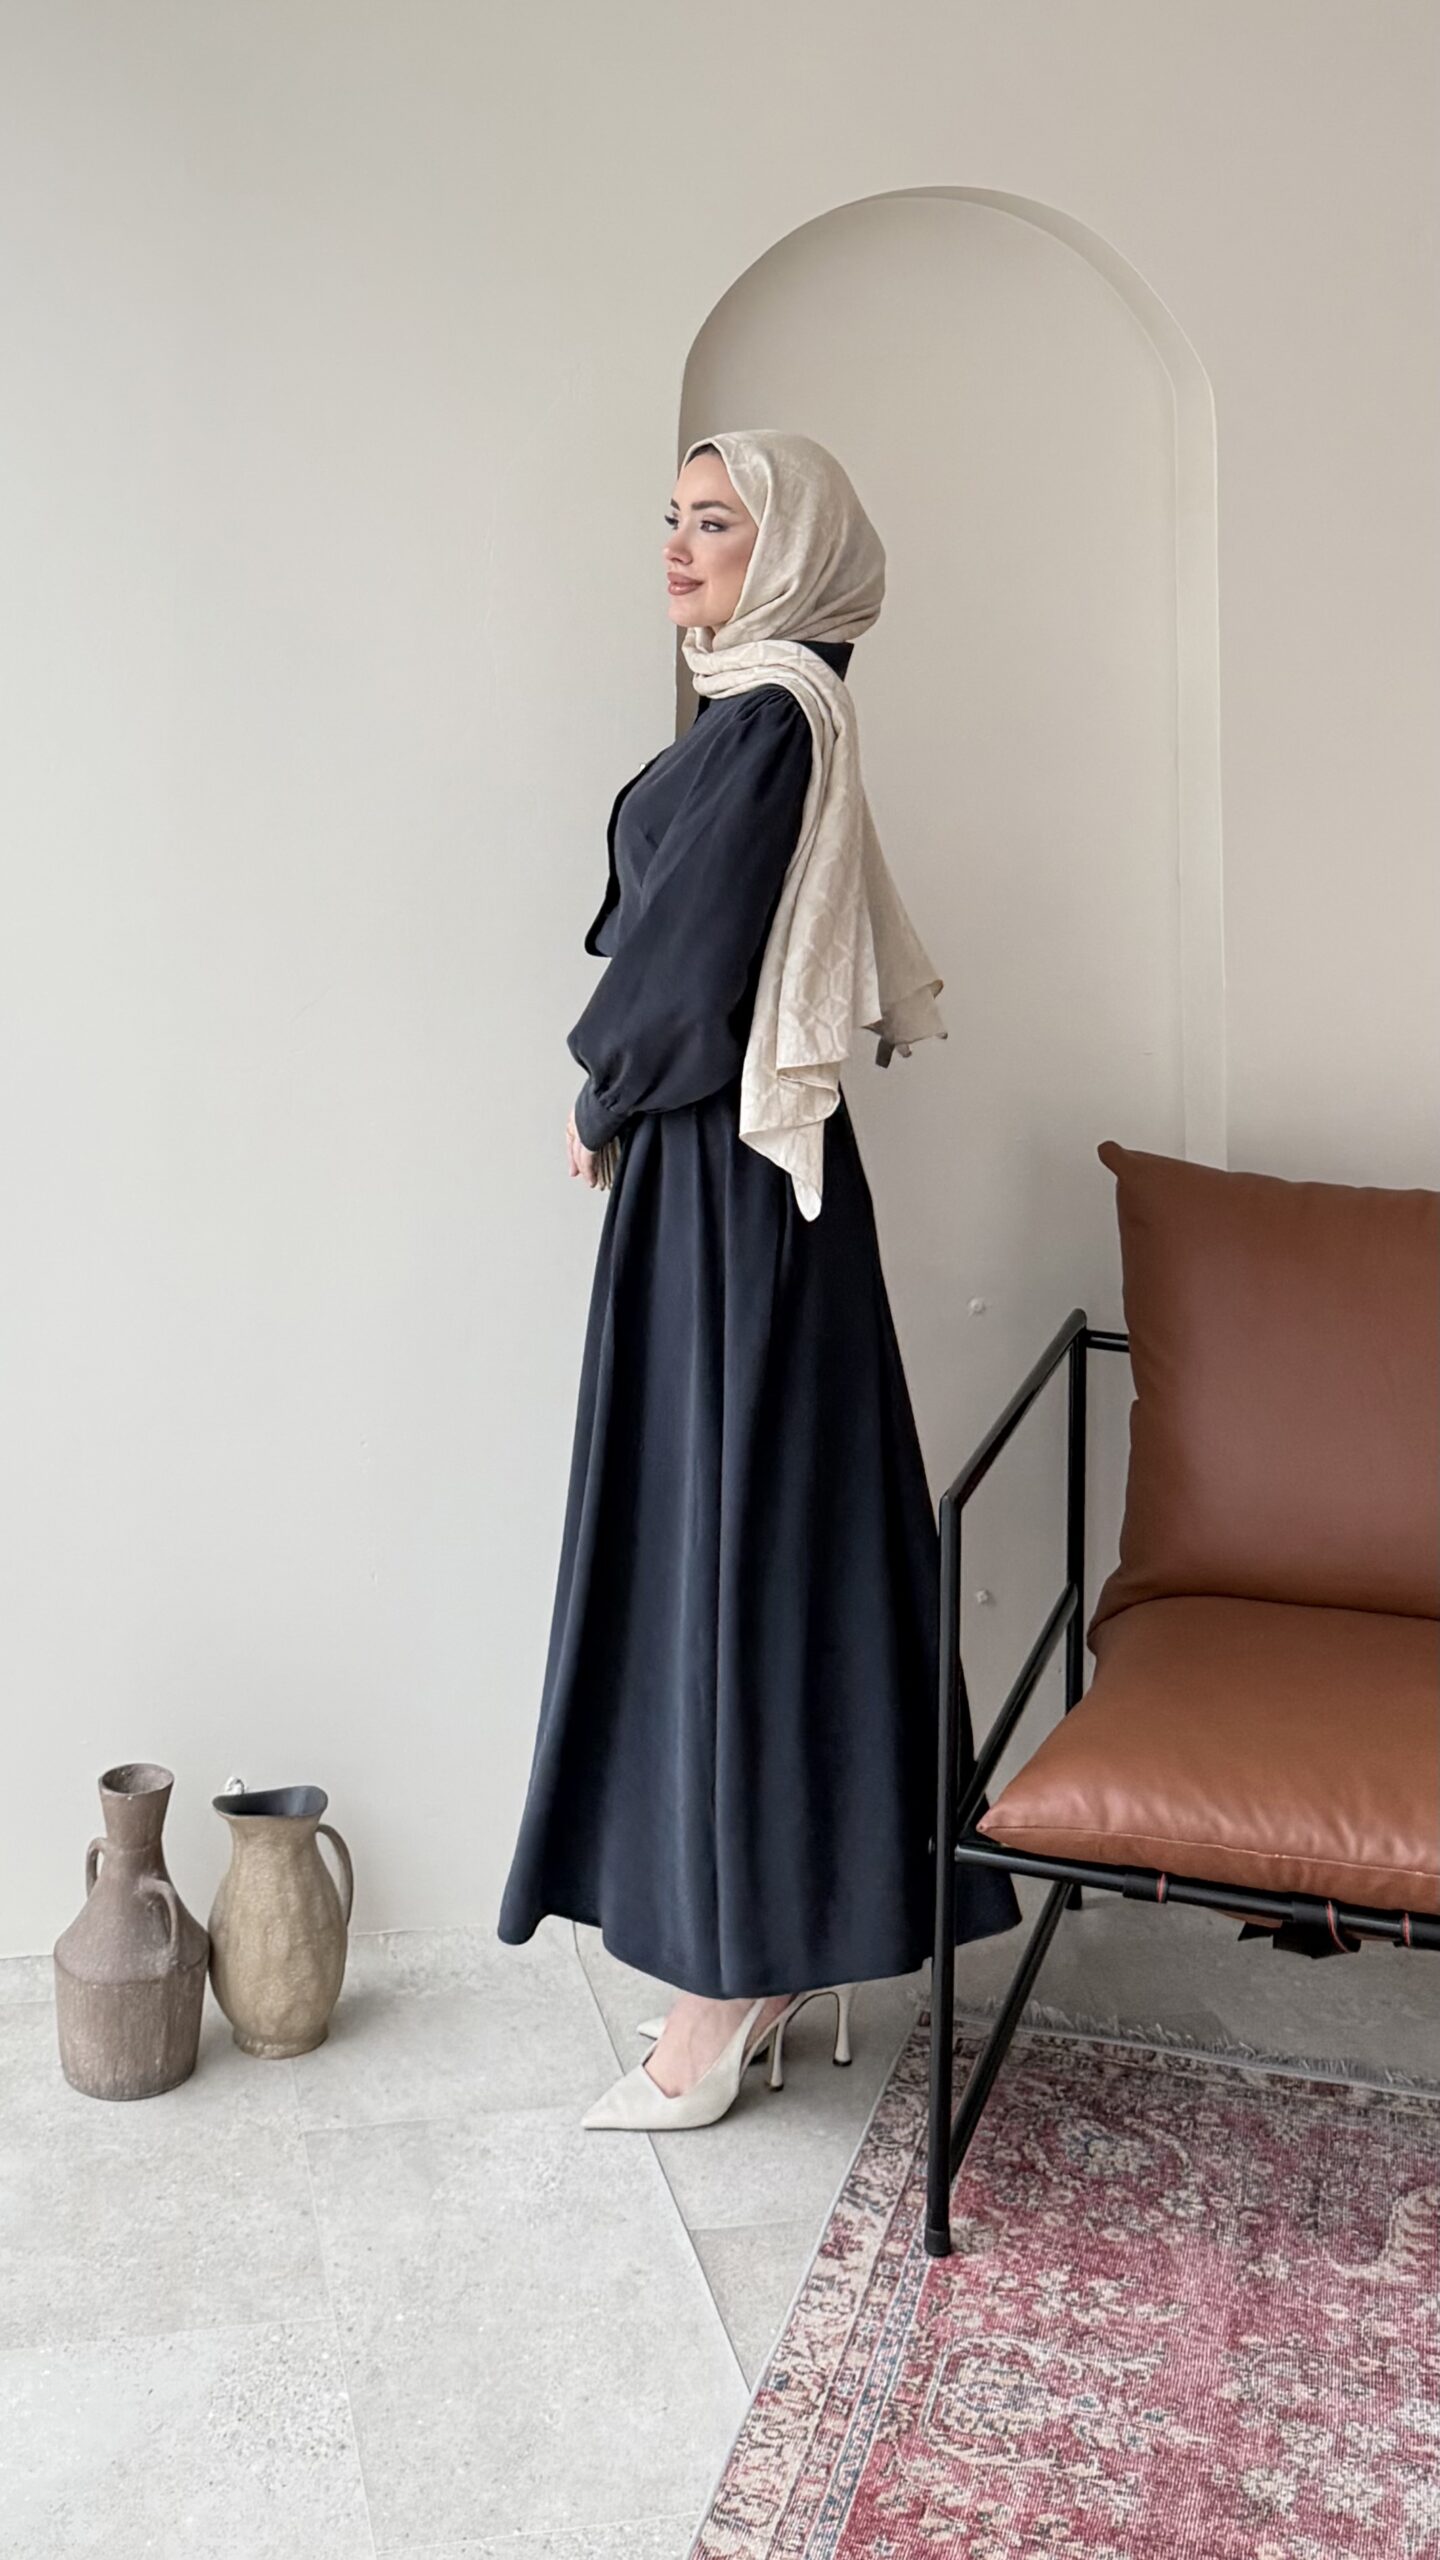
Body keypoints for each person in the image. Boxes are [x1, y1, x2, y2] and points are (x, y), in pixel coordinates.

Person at [496, 429, 1019, 2130]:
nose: (679, 546)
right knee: (739, 1537)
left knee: (724, 1545)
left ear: (786, 553)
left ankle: (726, 1985)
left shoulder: (774, 718)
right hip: (728, 1185)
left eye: (714, 523)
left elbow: (688, 966)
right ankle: (764, 1942)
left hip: (727, 1191)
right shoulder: (760, 710)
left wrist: (601, 1092)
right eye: (673, 517)